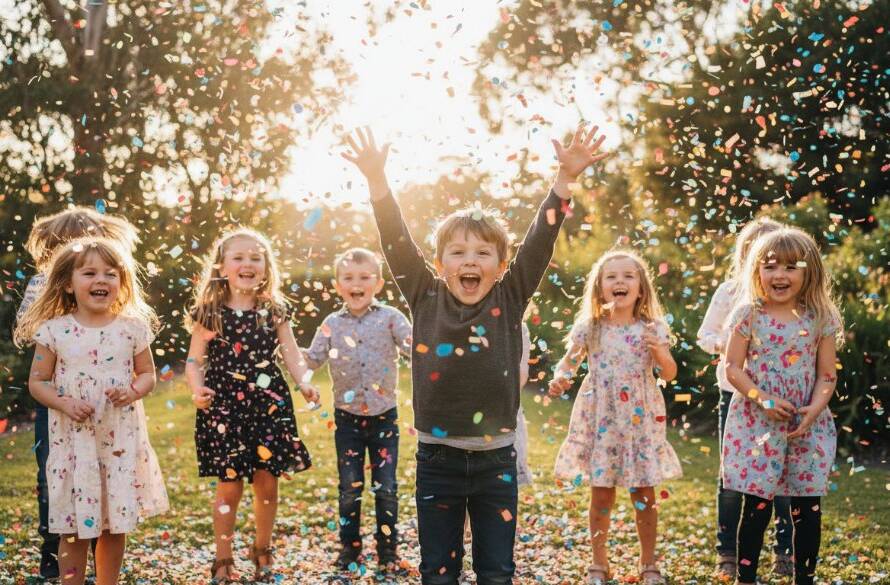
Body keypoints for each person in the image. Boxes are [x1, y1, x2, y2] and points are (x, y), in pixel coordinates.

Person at [342, 124, 609, 585]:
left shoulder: (509, 298)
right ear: (440, 262)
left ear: (502, 266)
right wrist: (377, 182)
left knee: (497, 572)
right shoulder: (425, 296)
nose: (470, 261)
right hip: (437, 460)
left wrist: (564, 182)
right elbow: (395, 239)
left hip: (495, 463)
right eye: (458, 252)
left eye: (483, 253)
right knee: (438, 573)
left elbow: (540, 243)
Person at [14, 237, 167, 585]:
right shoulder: (54, 331)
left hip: (117, 444)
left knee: (114, 523)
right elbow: (38, 381)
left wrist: (131, 391)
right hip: (74, 443)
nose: (101, 280)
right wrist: (65, 402)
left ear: (122, 282)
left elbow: (148, 374)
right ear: (68, 284)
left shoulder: (131, 329)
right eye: (89, 273)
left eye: (111, 273)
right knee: (73, 526)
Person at [185, 228, 320, 583]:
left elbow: (291, 351)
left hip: (268, 403)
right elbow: (194, 361)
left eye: (256, 257)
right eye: (239, 257)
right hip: (224, 405)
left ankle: (263, 548)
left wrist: (304, 381)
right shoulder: (209, 312)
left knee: (267, 481)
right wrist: (197, 390)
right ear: (222, 266)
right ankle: (223, 556)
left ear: (266, 266)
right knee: (229, 484)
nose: (248, 263)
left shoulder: (273, 309)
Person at [549, 250, 681, 585]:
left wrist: (659, 351)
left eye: (628, 276)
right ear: (599, 288)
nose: (619, 281)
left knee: (644, 494)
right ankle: (599, 563)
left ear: (641, 288)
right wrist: (560, 377)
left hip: (639, 419)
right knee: (601, 493)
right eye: (611, 277)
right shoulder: (590, 327)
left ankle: (648, 563)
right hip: (602, 417)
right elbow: (569, 362)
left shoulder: (652, 329)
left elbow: (669, 373)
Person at [723, 227, 842, 585]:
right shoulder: (748, 314)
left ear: (810, 273)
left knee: (807, 507)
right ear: (757, 271)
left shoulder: (821, 316)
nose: (779, 275)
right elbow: (731, 367)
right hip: (756, 422)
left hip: (805, 422)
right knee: (756, 505)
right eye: (770, 266)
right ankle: (747, 578)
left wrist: (815, 409)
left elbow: (827, 375)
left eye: (792, 267)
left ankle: (804, 578)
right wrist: (763, 398)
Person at [696, 216, 794, 578]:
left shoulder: (791, 297)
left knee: (783, 475)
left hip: (782, 398)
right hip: (733, 396)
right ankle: (728, 550)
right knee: (732, 477)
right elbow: (705, 336)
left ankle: (786, 549)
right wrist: (730, 344)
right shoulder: (730, 292)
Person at [303, 247, 411, 572]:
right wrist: (286, 349)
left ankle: (388, 550)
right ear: (338, 285)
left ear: (377, 283)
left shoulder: (391, 317)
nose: (357, 283)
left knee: (386, 487)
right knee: (349, 488)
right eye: (348, 277)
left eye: (364, 277)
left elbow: (414, 348)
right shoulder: (331, 323)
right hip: (347, 420)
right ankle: (349, 549)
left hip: (384, 419)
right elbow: (312, 359)